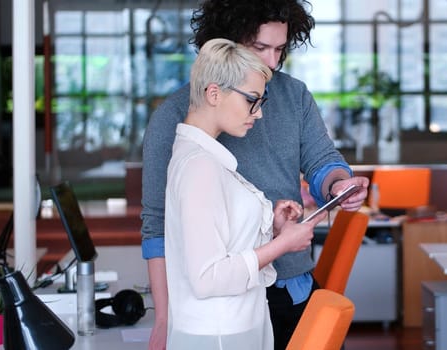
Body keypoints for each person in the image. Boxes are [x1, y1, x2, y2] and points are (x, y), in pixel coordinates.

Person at [140, 1, 370, 349]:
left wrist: (338, 184)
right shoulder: (176, 119)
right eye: (260, 48)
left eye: (280, 49)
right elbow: (158, 225)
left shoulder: (294, 95)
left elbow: (322, 159)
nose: (272, 62)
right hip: (223, 306)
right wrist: (164, 317)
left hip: (287, 286)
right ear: (225, 43)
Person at [164, 38, 326, 349]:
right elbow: (208, 276)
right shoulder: (200, 165)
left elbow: (226, 241)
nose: (259, 113)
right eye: (252, 99)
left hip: (230, 329)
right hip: (221, 335)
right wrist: (282, 244)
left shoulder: (205, 156)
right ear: (214, 93)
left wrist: (270, 225)